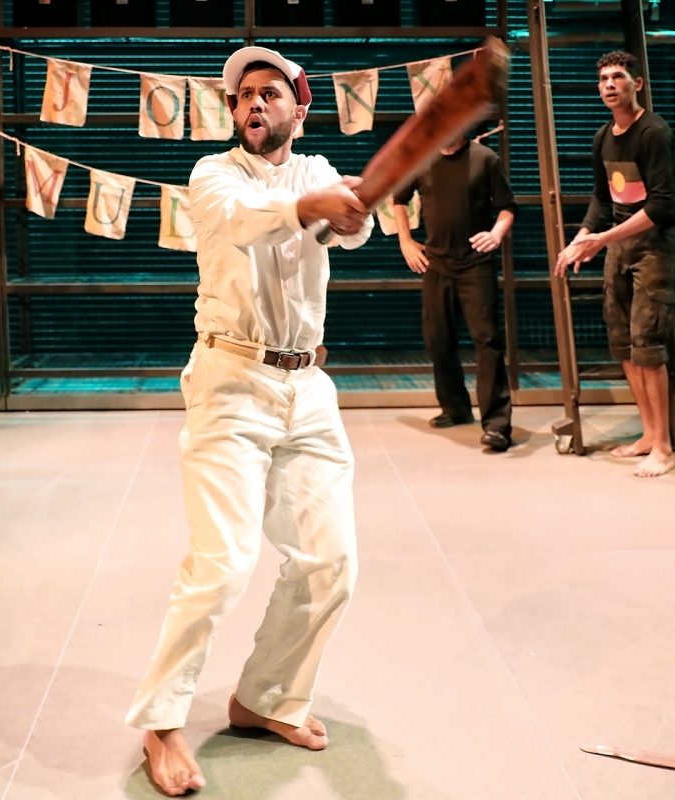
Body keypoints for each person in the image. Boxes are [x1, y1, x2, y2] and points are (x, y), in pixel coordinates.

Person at [125, 46, 373, 797]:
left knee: (331, 564)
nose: (251, 106)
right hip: (230, 381)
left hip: (309, 387)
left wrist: (350, 206)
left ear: (300, 107)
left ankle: (264, 699)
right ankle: (161, 723)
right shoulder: (213, 175)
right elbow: (241, 222)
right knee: (224, 563)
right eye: (240, 99)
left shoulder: (318, 171)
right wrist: (315, 208)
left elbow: (350, 230)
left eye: (268, 94)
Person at [554, 51, 675, 478]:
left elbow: (662, 205)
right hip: (620, 245)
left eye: (619, 77)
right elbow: (602, 198)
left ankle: (663, 447)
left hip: (655, 245)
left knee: (648, 345)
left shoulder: (653, 133)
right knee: (623, 344)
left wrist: (601, 240)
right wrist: (578, 241)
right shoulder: (602, 137)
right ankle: (648, 433)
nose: (610, 84)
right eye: (604, 79)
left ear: (637, 84)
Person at [393, 130, 516, 451]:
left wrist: (497, 233)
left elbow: (507, 207)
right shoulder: (423, 158)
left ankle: (497, 425)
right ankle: (455, 408)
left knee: (487, 339)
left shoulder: (484, 158)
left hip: (476, 263)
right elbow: (398, 199)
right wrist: (406, 241)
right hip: (436, 264)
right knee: (437, 337)